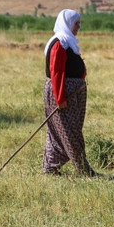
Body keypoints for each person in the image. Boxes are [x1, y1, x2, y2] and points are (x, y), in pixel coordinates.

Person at [42, 9, 96, 176]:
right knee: (68, 132)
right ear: (68, 24)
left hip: (72, 91)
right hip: (64, 93)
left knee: (66, 130)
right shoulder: (60, 43)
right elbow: (56, 72)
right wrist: (60, 98)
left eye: (79, 23)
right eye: (76, 23)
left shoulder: (68, 42)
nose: (78, 27)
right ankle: (83, 170)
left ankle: (50, 167)